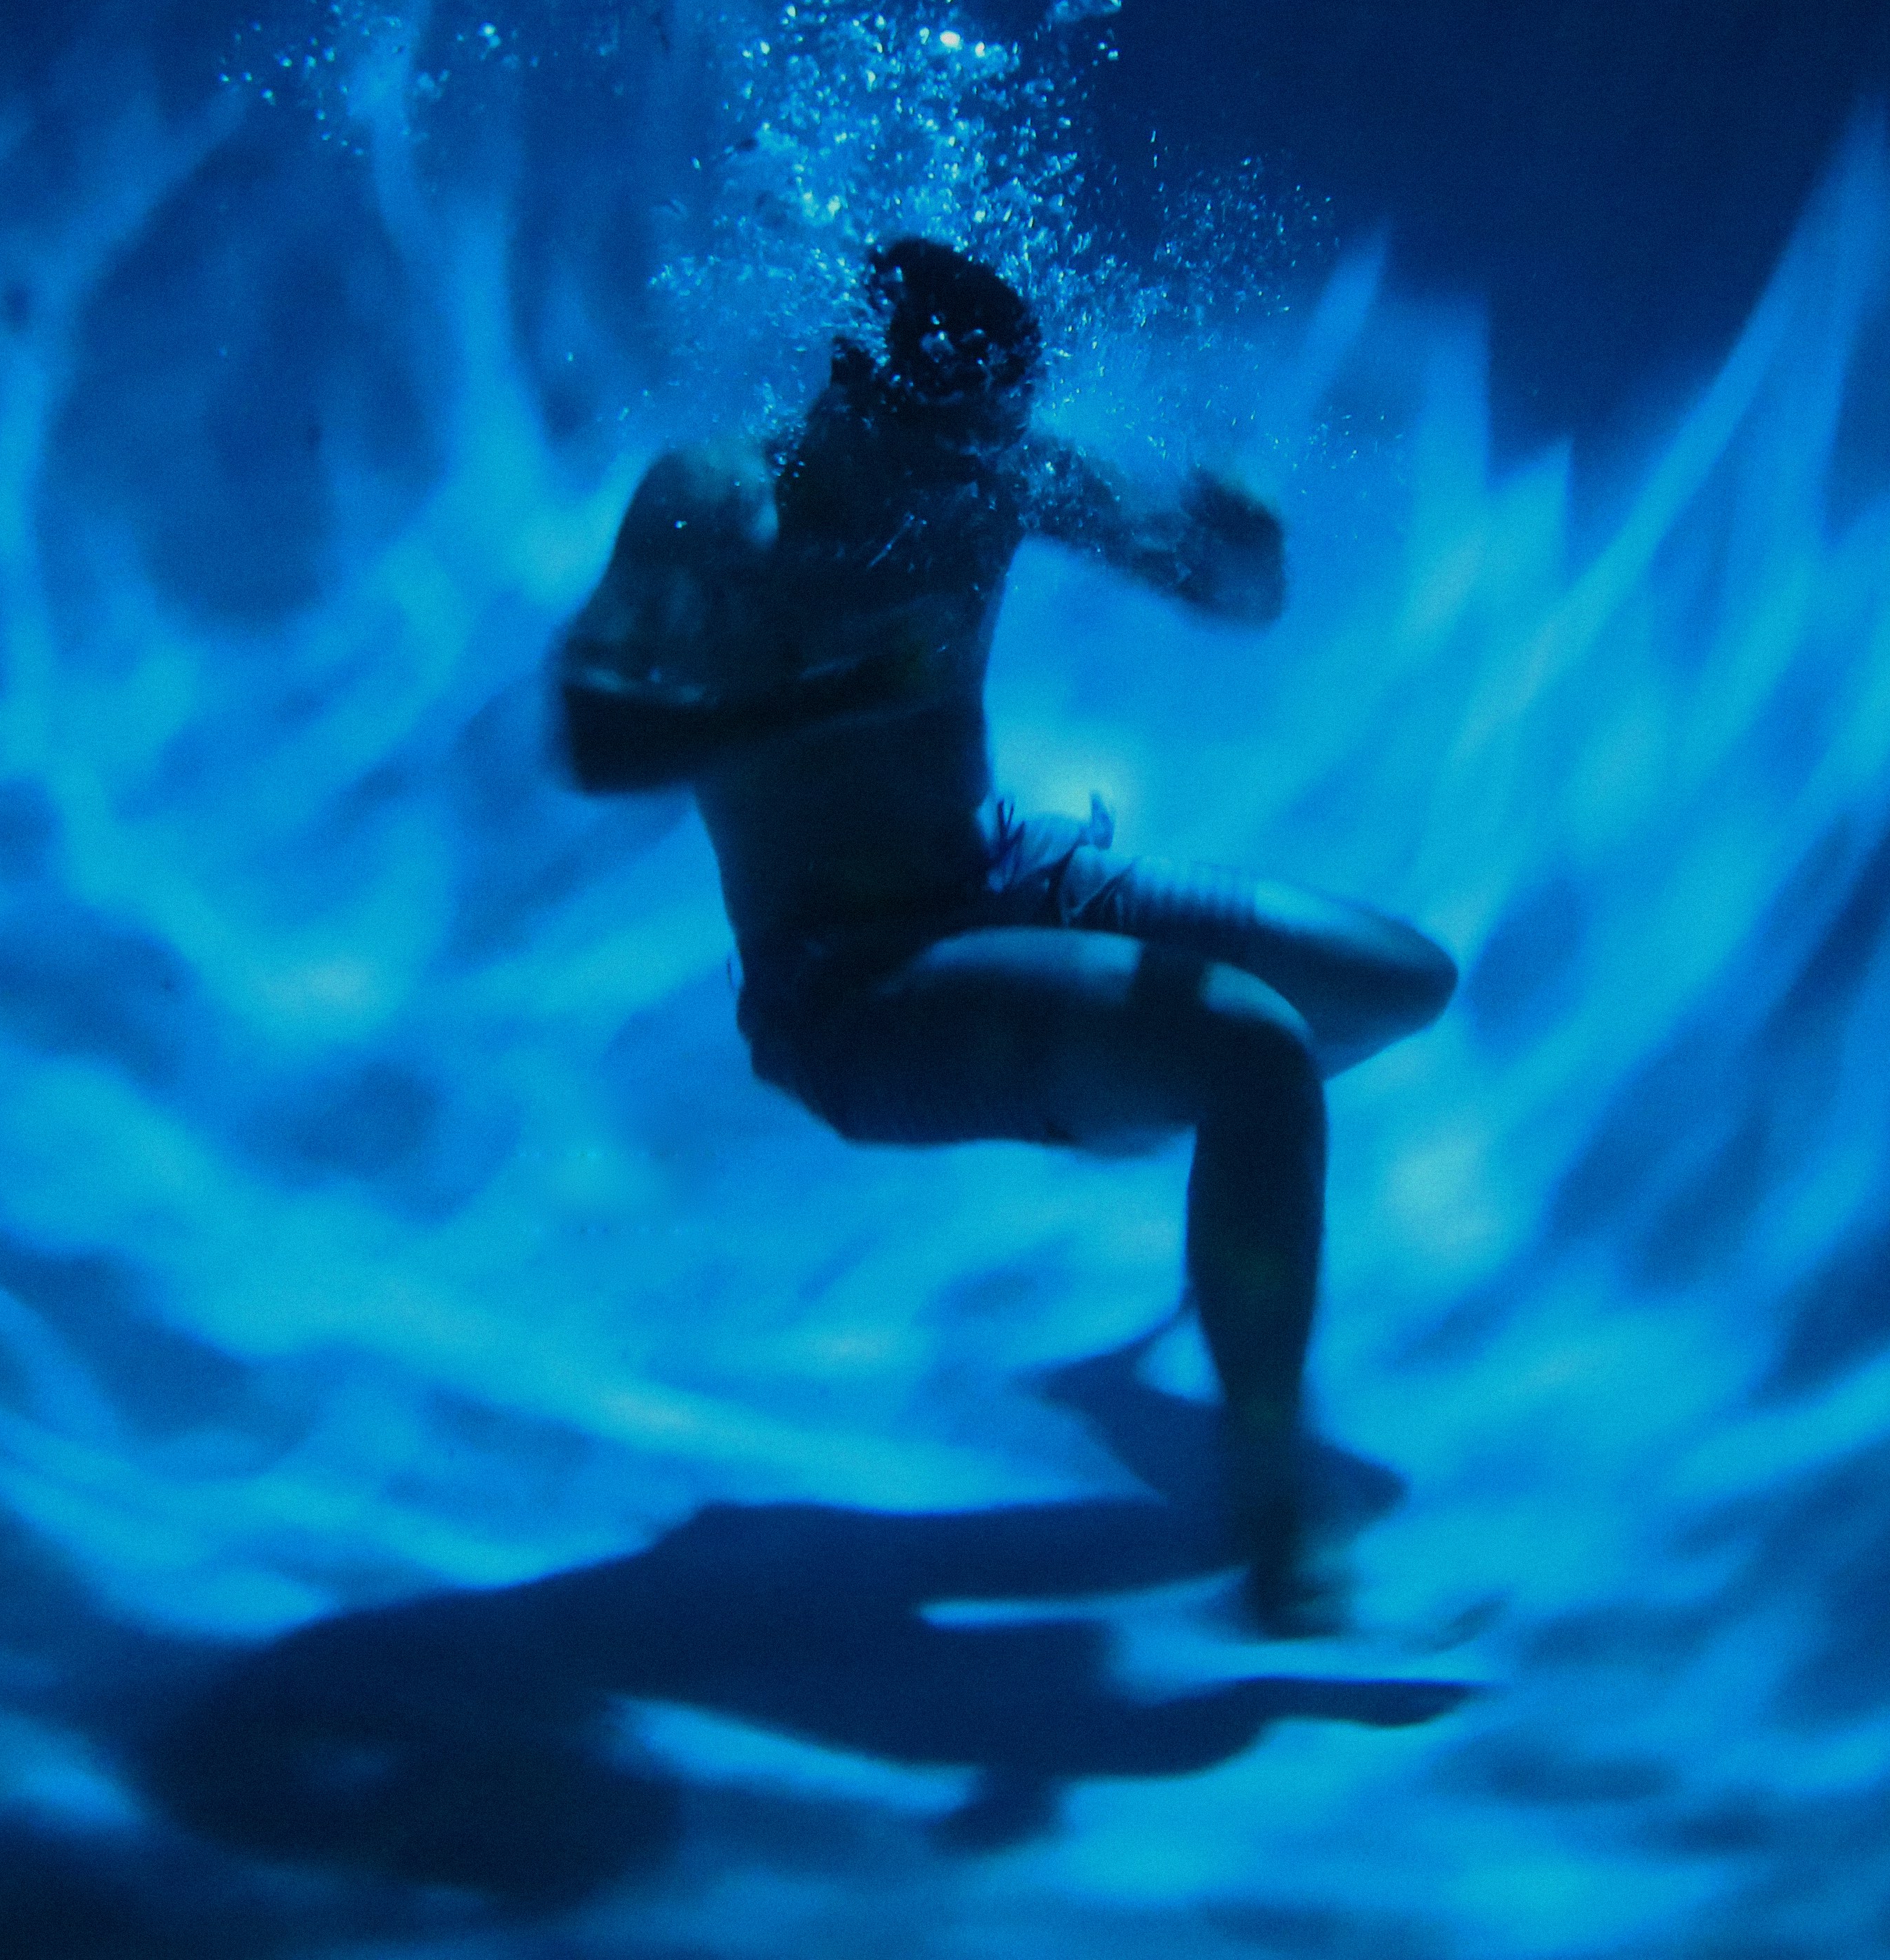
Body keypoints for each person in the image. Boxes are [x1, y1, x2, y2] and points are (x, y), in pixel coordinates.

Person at [553, 237, 1459, 1635]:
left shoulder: (995, 464)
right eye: (952, 446)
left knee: (1398, 982)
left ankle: (1134, 1116)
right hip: (846, 982)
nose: (973, 478)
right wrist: (820, 701)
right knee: (1251, 1049)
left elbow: (1226, 596)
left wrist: (1246, 550)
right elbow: (595, 734)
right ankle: (1271, 1488)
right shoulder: (718, 508)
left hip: (1015, 880)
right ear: (856, 397)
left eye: (995, 439)